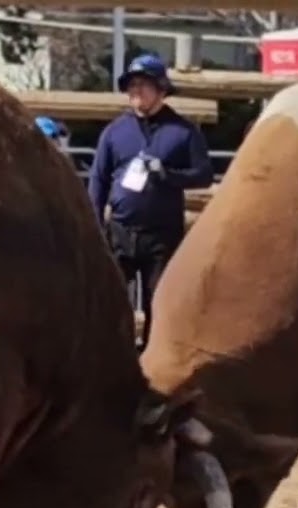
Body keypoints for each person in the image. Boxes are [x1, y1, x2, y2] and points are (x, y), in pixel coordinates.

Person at [87, 53, 213, 349]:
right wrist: (95, 228)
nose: (136, 92)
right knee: (110, 298)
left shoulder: (183, 132)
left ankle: (154, 362)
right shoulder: (115, 132)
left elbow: (204, 175)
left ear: (161, 89)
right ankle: (113, 354)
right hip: (120, 230)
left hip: (162, 234)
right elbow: (98, 179)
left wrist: (168, 175)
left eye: (143, 85)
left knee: (159, 301)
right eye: (131, 86)